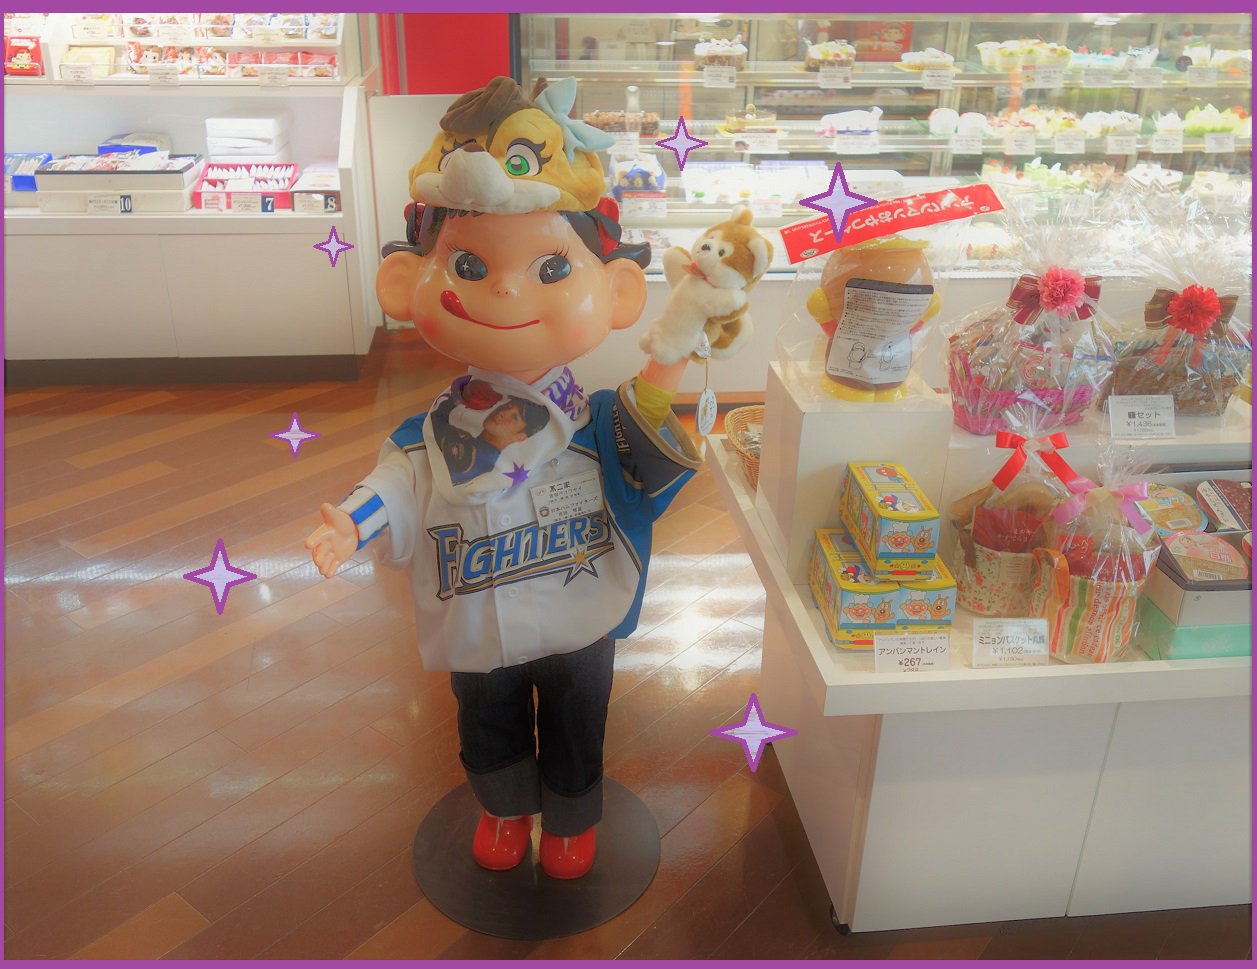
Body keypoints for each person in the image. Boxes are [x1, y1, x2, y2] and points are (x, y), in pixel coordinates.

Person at [304, 76, 716, 881]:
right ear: (404, 283)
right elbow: (397, 480)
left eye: (551, 269)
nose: (504, 290)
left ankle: (570, 817)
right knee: (484, 716)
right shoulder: (431, 434)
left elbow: (648, 419)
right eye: (466, 264)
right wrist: (350, 523)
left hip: (578, 611)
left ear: (617, 292)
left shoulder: (598, 421)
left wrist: (678, 338)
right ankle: (502, 807)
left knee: (577, 714)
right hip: (477, 618)